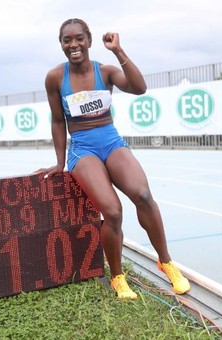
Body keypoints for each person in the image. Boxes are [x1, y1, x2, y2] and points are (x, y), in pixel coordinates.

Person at [35, 18, 190, 300]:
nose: (73, 45)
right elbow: (58, 121)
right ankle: (118, 277)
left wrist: (118, 51)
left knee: (143, 194)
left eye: (79, 38)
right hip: (82, 149)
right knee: (114, 212)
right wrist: (59, 162)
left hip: (111, 142)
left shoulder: (105, 72)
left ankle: (166, 262)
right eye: (66, 40)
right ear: (61, 45)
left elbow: (139, 87)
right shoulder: (55, 78)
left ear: (90, 40)